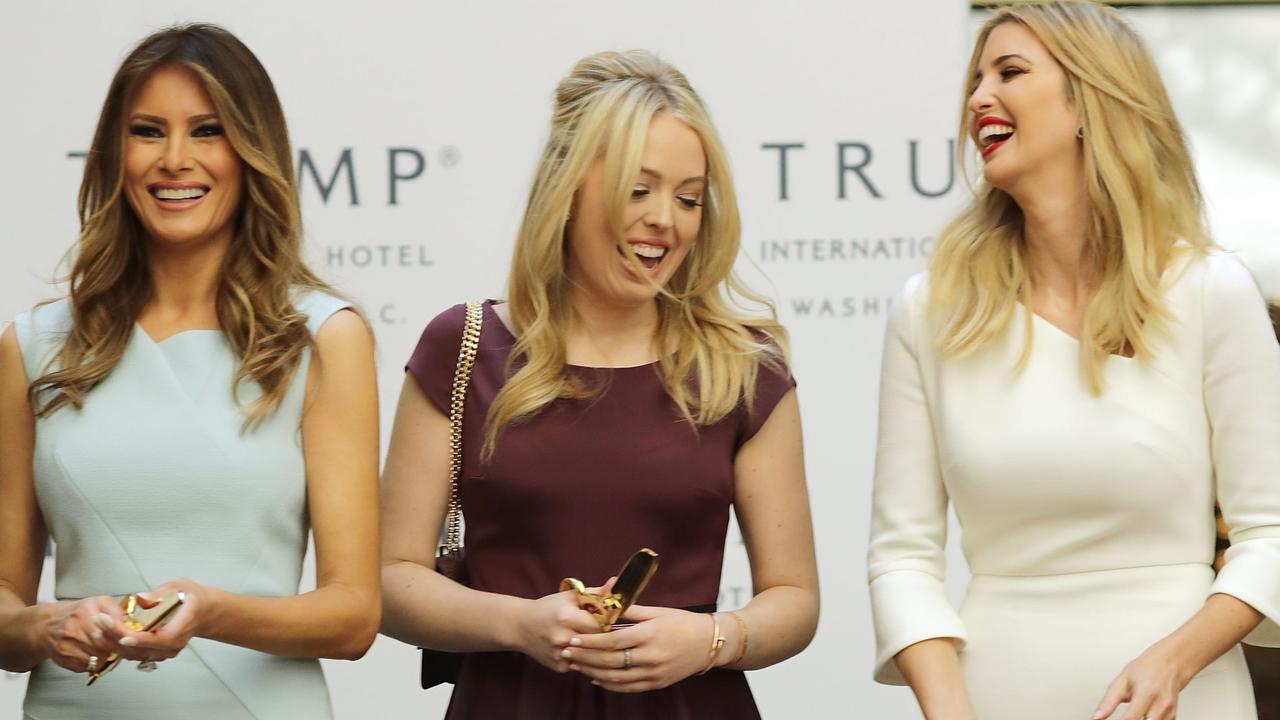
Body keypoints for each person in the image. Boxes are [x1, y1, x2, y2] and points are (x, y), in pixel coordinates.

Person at [866, 2, 1280, 720]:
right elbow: (901, 558)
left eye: (1010, 72)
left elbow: (1271, 531)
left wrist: (1173, 661)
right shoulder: (930, 311)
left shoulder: (1211, 293)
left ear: (1089, 100)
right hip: (996, 697)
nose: (977, 98)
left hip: (1187, 701)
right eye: (975, 78)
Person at [380, 49, 819, 719]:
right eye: (637, 188)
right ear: (567, 189)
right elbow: (388, 582)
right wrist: (520, 625)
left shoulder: (743, 368)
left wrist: (710, 639)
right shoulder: (463, 347)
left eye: (688, 197)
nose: (664, 220)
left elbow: (795, 597)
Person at [0, 24, 380, 719]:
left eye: (207, 131)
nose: (175, 160)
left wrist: (206, 612)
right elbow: (3, 602)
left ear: (251, 150)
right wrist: (43, 626)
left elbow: (354, 616)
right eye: (148, 131)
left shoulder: (321, 339)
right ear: (116, 155)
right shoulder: (33, 345)